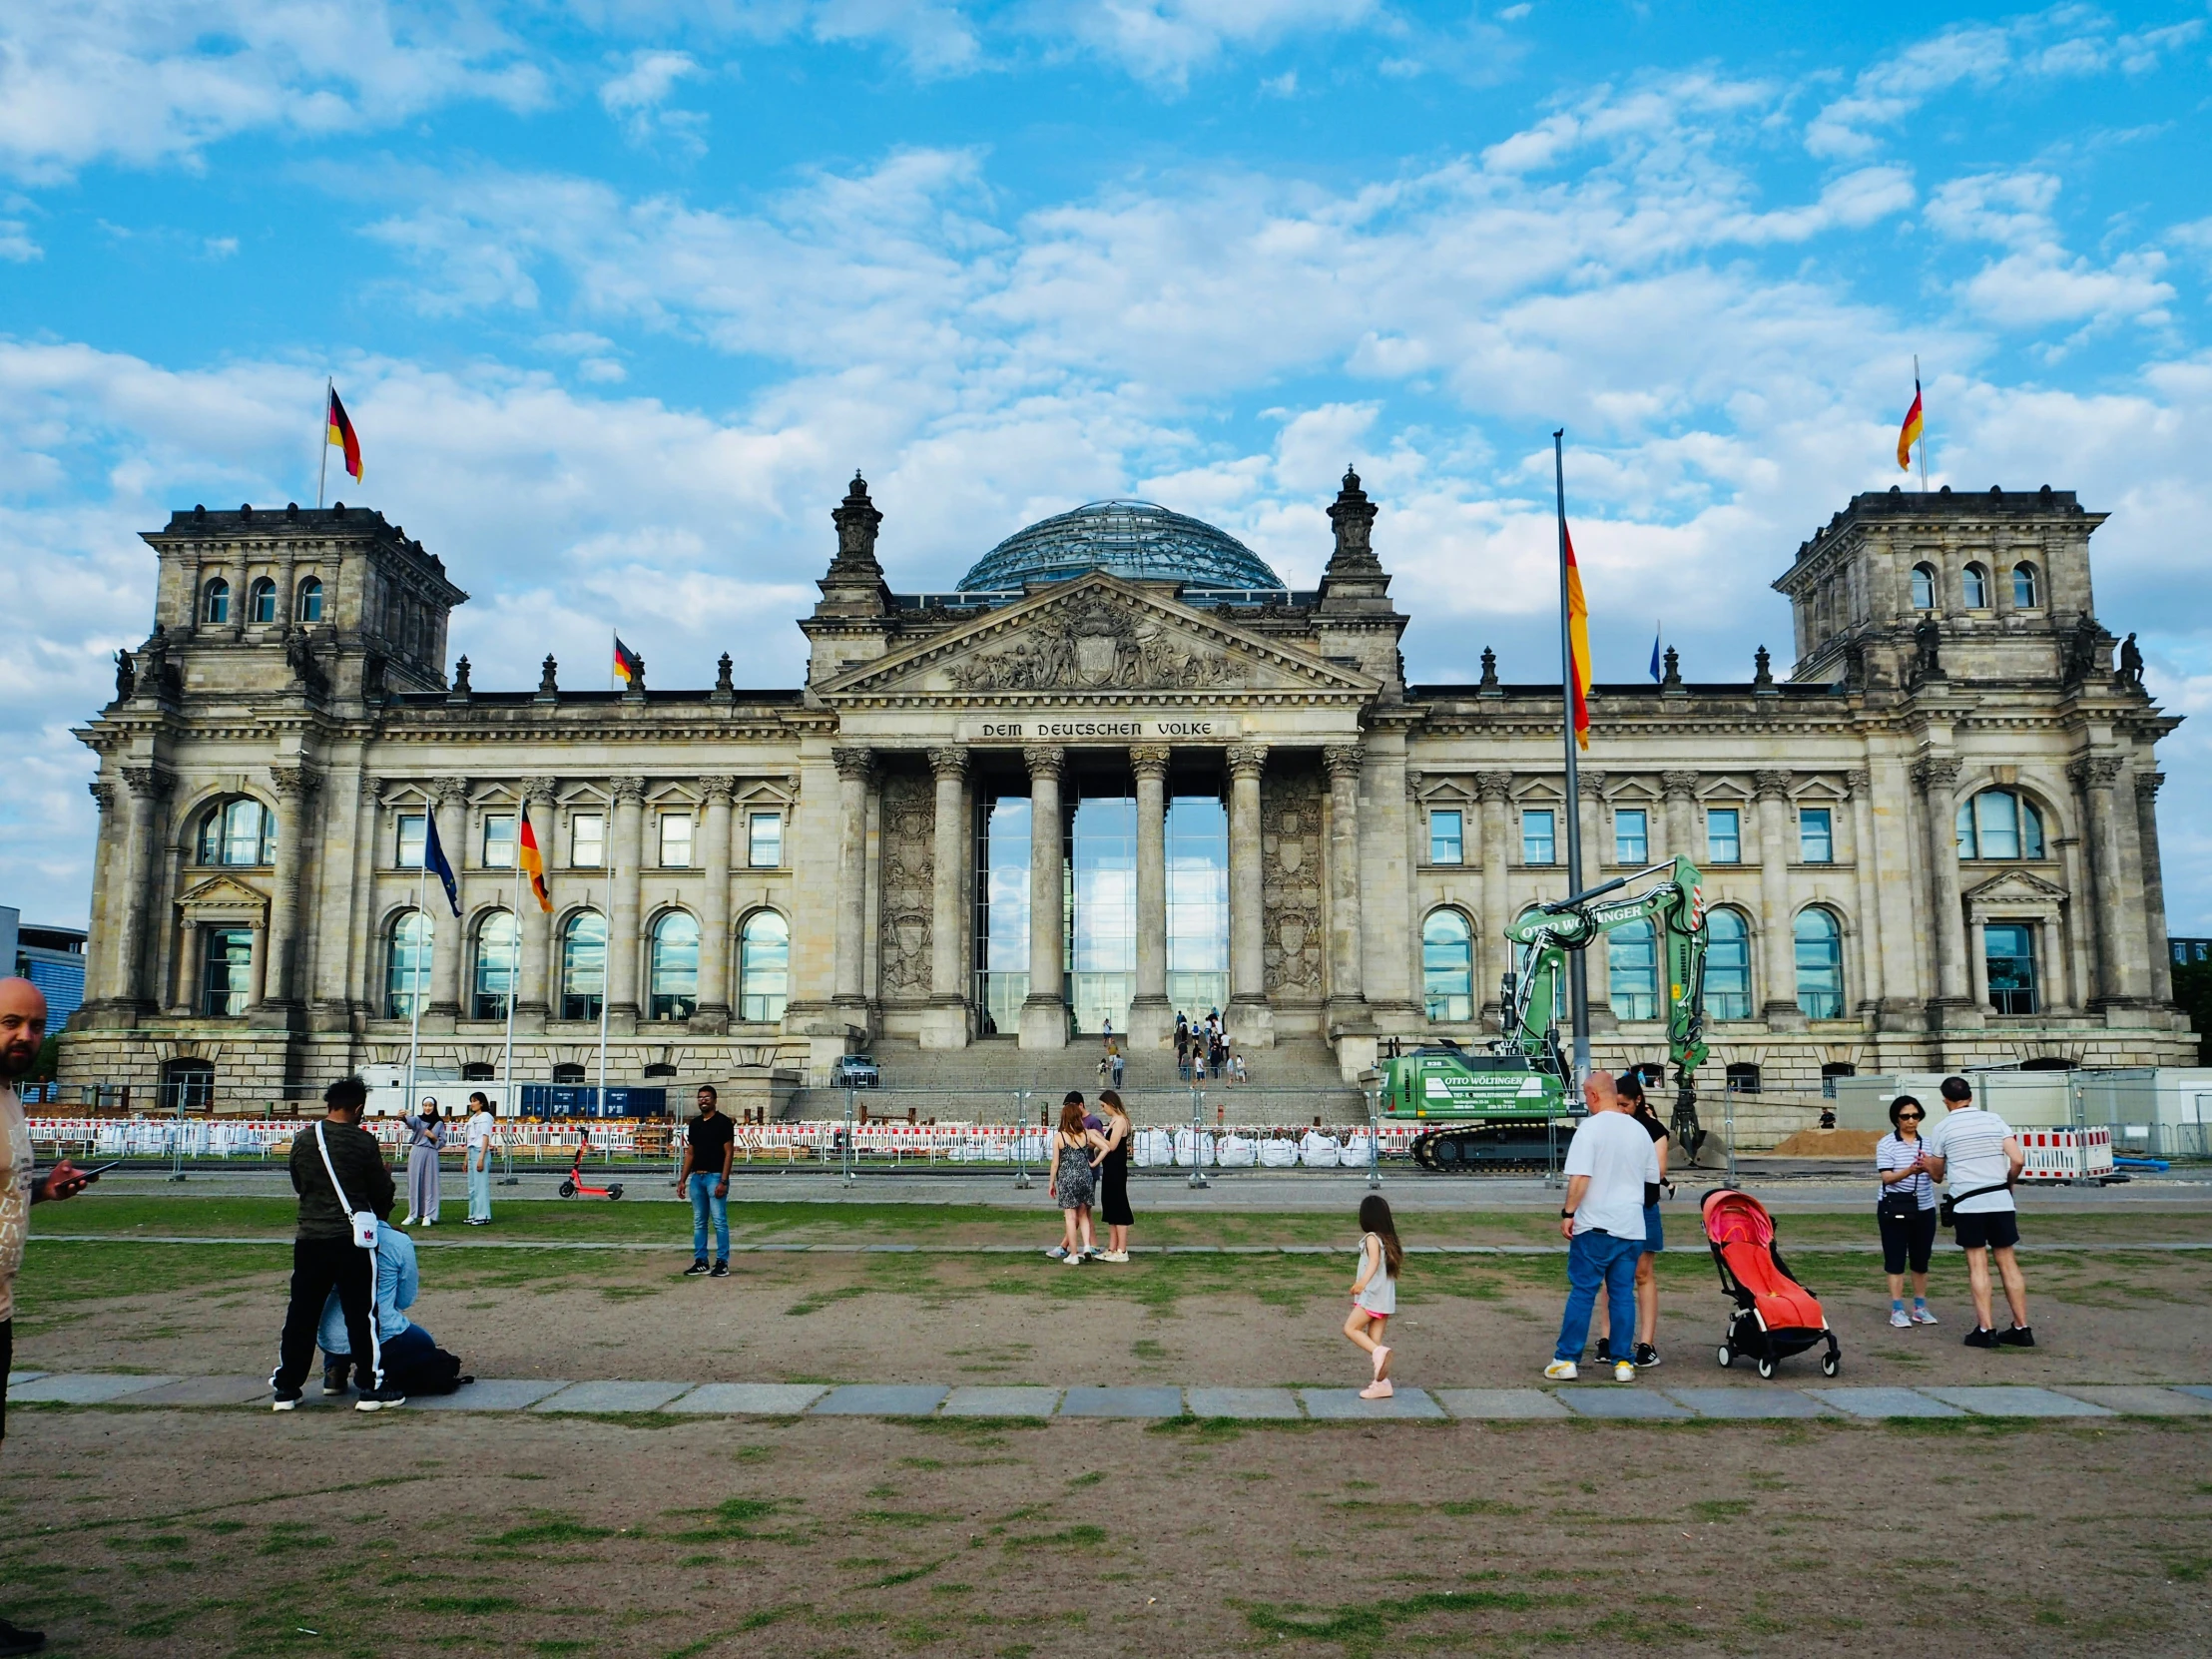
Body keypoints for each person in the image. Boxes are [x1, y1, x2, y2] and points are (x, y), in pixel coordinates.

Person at [0, 979, 95, 1657]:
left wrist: (44, 1188)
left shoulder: (8, 1097)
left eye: (35, 1027)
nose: (26, 1039)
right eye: (11, 1024)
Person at [272, 1076, 403, 1411]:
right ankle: (370, 1386)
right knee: (361, 1314)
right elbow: (380, 1189)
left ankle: (287, 1387)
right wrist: (380, 1209)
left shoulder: (303, 1140)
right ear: (358, 1107)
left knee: (302, 1313)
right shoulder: (362, 1142)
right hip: (351, 1239)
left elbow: (300, 1184)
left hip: (310, 1236)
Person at [1546, 1070, 1658, 1383]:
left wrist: (1568, 1212)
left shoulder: (1590, 1130)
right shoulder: (1638, 1131)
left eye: (1585, 1095)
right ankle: (1623, 1362)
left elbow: (1581, 1178)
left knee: (1583, 1291)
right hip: (1631, 1226)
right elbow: (1652, 1183)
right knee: (1622, 1294)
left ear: (1593, 1095)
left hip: (1595, 1224)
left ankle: (1566, 1358)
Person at [1922, 1075, 2032, 1349]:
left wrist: (1927, 1165)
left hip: (1968, 1202)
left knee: (1977, 1264)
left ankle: (1986, 1328)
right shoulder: (1994, 1120)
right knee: (2008, 1262)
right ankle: (2022, 1326)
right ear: (1971, 1097)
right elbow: (2017, 1159)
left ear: (1945, 1100)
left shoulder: (1943, 1127)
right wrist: (2009, 1181)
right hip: (2000, 1199)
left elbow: (1937, 1174)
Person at [317, 1203, 465, 1396]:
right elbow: (404, 1300)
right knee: (422, 1342)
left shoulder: (327, 1240)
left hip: (329, 1336)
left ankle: (335, 1367)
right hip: (378, 1330)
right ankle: (377, 1373)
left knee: (344, 1320)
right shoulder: (397, 1242)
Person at [1594, 1070, 1669, 1369]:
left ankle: (1646, 1344)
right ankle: (1607, 1339)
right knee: (1610, 1275)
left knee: (1642, 1274)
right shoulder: (1609, 1126)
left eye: (1625, 1104)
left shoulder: (1653, 1130)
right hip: (1612, 1208)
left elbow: (1659, 1171)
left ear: (1638, 1100)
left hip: (1642, 1207)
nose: (1620, 1110)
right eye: (1617, 1104)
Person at [1876, 1094, 1939, 1328]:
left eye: (1915, 1116)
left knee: (1921, 1259)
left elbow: (1938, 1177)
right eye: (1905, 1117)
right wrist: (1910, 1171)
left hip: (1924, 1207)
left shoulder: (1930, 1143)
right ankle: (1897, 1308)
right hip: (1894, 1206)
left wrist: (1929, 1166)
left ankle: (1920, 1307)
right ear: (1896, 1119)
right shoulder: (1886, 1143)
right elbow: (1887, 1177)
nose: (1911, 1121)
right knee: (1895, 1258)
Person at [1345, 1194, 1402, 1399]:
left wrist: (1362, 1283)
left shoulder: (1371, 1238)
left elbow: (1374, 1262)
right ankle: (1382, 1384)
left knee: (1350, 1328)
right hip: (1384, 1300)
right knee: (1374, 1342)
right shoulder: (1388, 1240)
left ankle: (1380, 1355)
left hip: (1372, 1297)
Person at [676, 1084, 735, 1278]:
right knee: (699, 1222)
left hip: (715, 1176)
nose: (703, 1100)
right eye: (700, 1097)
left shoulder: (723, 1122)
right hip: (697, 1177)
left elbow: (729, 1152)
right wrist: (682, 1180)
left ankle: (722, 1262)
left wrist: (723, 1181)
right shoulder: (695, 1124)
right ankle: (701, 1260)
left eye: (707, 1097)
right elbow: (690, 1153)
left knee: (719, 1221)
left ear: (714, 1100)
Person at [1048, 1095, 1104, 1266]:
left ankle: (1073, 1253)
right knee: (1083, 1214)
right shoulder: (1085, 1135)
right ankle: (1087, 1246)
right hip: (1085, 1176)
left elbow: (1055, 1163)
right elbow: (1105, 1147)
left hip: (1068, 1178)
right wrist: (1094, 1162)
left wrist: (1051, 1182)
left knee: (1070, 1218)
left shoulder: (1060, 1137)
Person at [1096, 1091, 1133, 1263]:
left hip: (1117, 1169)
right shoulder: (1113, 1121)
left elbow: (1112, 1145)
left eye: (1103, 1106)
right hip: (1110, 1169)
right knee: (1110, 1206)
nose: (1103, 1110)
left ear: (1111, 1103)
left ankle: (1122, 1249)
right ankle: (1112, 1247)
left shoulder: (1120, 1122)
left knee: (1118, 1206)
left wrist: (1096, 1138)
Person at [400, 1098, 446, 1227]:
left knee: (429, 1183)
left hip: (430, 1152)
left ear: (434, 1106)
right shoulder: (418, 1119)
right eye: (425, 1105)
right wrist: (403, 1117)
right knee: (414, 1182)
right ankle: (413, 1214)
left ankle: (428, 1214)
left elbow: (442, 1141)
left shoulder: (439, 1123)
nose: (427, 1108)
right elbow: (409, 1121)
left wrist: (432, 1136)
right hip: (417, 1151)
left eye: (430, 1105)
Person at [463, 1092, 497, 1227]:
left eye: (475, 1101)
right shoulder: (473, 1119)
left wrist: (481, 1157)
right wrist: (466, 1158)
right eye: (471, 1101)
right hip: (472, 1151)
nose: (472, 1104)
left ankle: (483, 1214)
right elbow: (470, 1140)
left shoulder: (485, 1117)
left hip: (479, 1151)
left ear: (481, 1103)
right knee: (472, 1186)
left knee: (480, 1186)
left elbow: (485, 1137)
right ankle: (473, 1213)